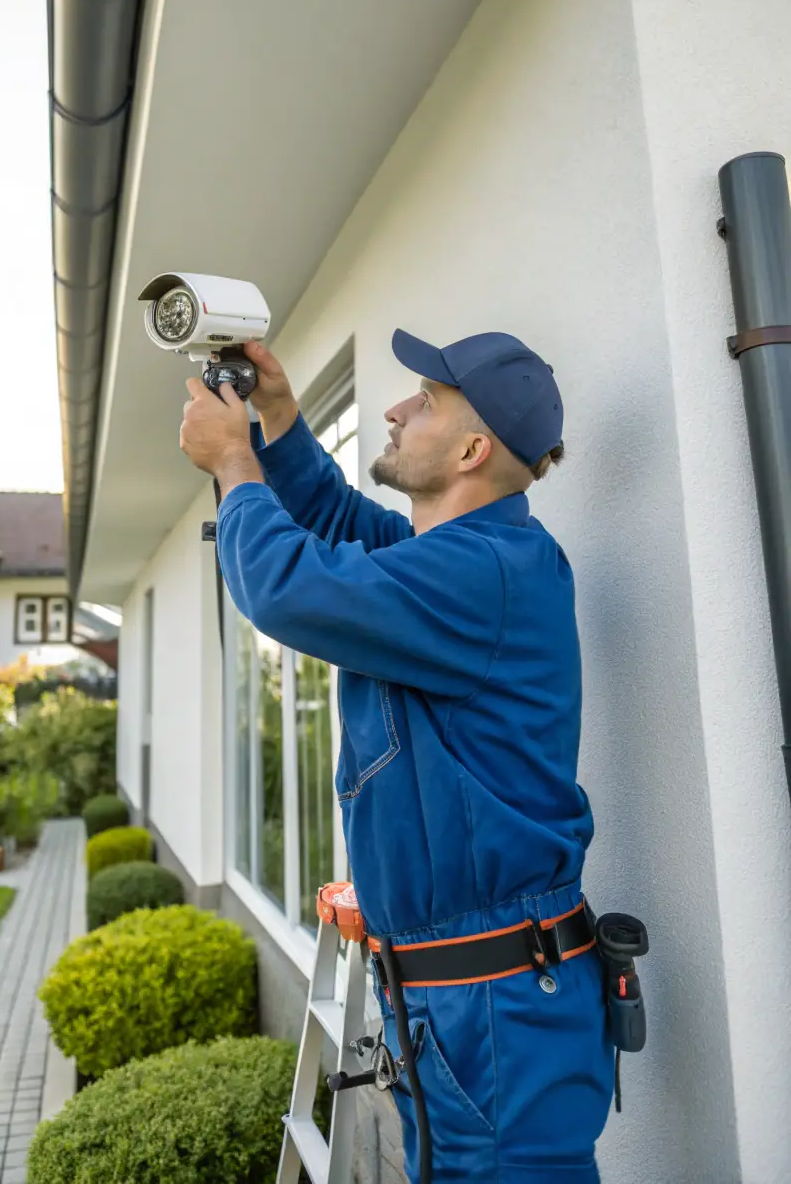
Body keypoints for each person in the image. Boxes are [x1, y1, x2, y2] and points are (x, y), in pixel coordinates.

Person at [179, 330, 615, 1184]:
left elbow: (290, 587)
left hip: (495, 1014)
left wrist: (238, 465)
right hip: (458, 1004)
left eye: (424, 399)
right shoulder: (452, 559)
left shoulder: (485, 573)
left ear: (471, 449)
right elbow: (341, 524)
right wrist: (278, 416)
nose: (394, 406)